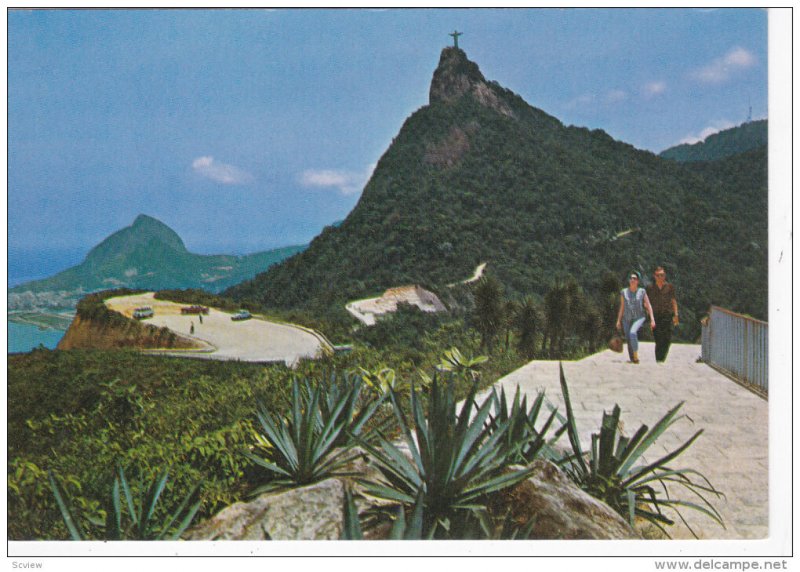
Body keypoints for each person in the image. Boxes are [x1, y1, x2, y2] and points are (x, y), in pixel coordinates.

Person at [615, 271, 655, 364]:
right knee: (628, 339)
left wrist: (652, 319)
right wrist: (618, 320)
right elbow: (622, 307)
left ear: (638, 281)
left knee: (633, 333)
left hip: (639, 317)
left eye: (635, 278)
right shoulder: (624, 292)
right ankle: (632, 358)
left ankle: (636, 357)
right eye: (631, 278)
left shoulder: (642, 291)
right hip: (626, 319)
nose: (632, 280)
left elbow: (648, 305)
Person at [646, 266, 679, 362]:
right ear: (654, 276)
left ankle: (662, 358)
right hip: (655, 316)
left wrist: (676, 315)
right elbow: (646, 302)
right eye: (658, 275)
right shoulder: (650, 288)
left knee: (667, 338)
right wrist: (648, 313)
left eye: (662, 275)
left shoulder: (669, 287)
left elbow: (673, 301)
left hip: (667, 316)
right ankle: (659, 359)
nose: (660, 277)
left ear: (665, 276)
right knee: (658, 338)